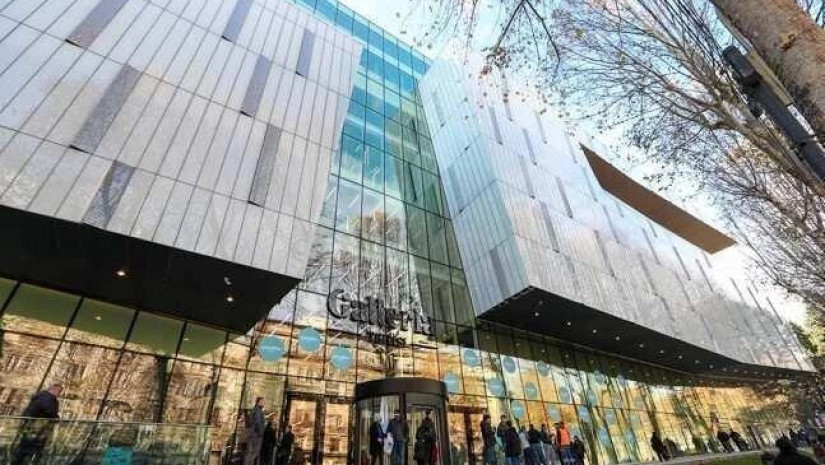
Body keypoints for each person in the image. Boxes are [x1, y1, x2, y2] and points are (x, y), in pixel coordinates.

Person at [12, 384, 63, 465]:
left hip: (32, 424)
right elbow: (49, 410)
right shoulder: (47, 398)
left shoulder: (40, 396)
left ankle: (19, 461)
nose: (59, 394)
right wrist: (55, 417)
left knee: (26, 446)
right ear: (54, 390)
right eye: (59, 391)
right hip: (38, 426)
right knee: (31, 446)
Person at [245, 397, 266, 465]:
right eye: (263, 402)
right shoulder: (258, 411)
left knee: (251, 453)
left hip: (253, 434)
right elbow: (257, 423)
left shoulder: (255, 410)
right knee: (253, 452)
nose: (264, 403)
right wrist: (260, 433)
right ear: (259, 402)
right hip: (256, 435)